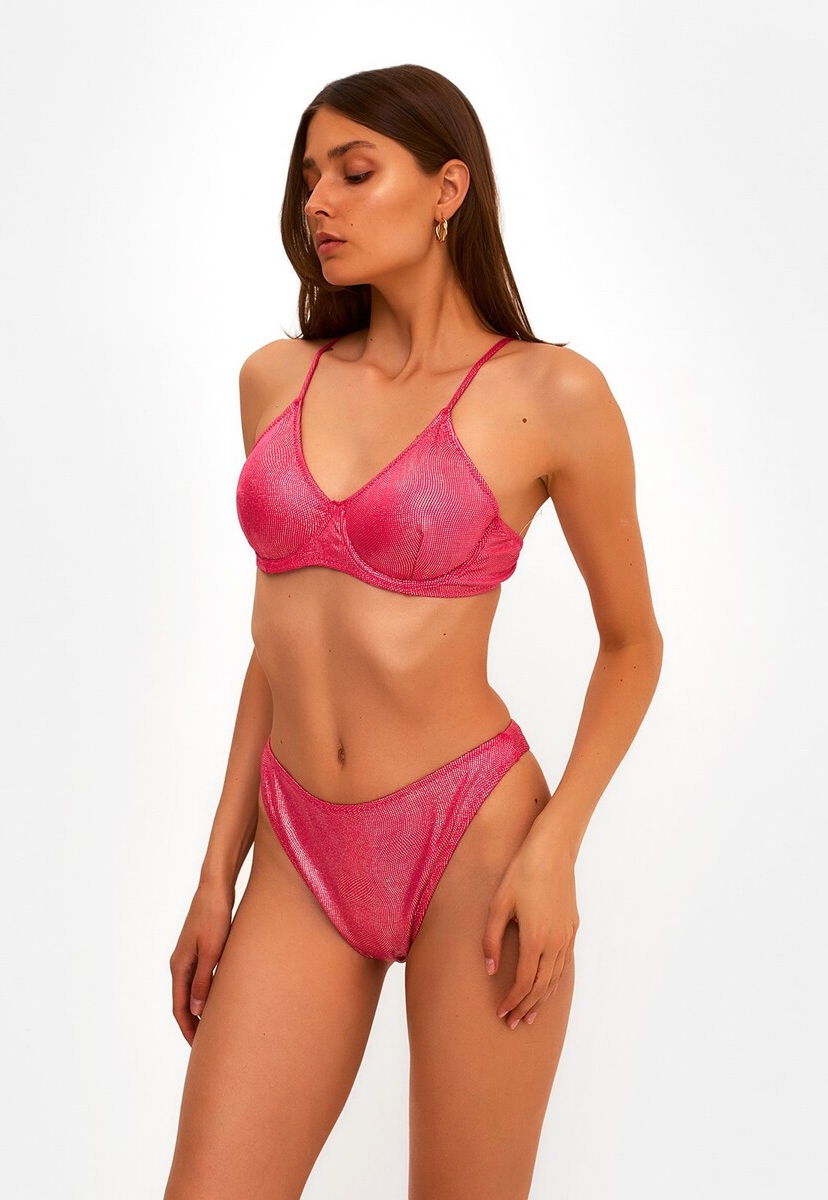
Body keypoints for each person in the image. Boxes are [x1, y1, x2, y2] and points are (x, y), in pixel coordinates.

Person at [163, 64, 663, 1200]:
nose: (319, 203)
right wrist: (214, 873)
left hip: (472, 843)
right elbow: (277, 644)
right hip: (300, 847)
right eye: (309, 179)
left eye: (354, 172)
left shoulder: (551, 393)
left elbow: (634, 644)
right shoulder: (275, 380)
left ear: (448, 189)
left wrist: (556, 847)